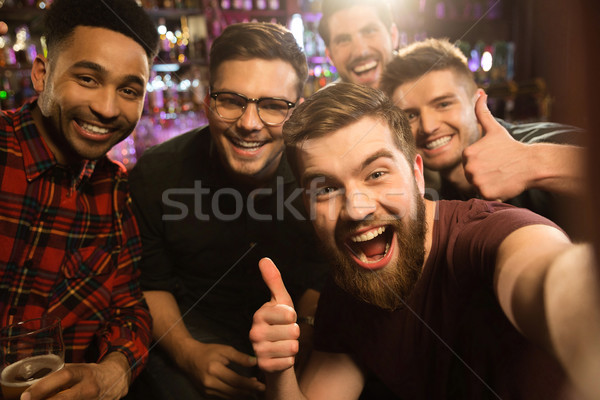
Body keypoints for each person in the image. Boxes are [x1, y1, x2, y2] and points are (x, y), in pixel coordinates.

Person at [249, 82, 600, 400]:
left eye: (376, 173)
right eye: (325, 188)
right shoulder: (348, 287)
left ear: (417, 175)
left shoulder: (489, 235)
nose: (356, 209)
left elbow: (543, 274)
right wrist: (280, 374)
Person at [128, 22, 328, 400]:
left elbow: (321, 281)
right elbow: (151, 284)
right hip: (188, 348)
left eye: (272, 106)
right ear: (208, 100)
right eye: (232, 101)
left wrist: (296, 344)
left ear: (297, 113)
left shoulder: (320, 178)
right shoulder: (156, 174)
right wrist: (188, 355)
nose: (249, 124)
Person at [0, 0, 159, 399]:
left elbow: (128, 307)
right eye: (88, 79)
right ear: (42, 74)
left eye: (128, 90)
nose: (106, 109)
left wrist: (112, 371)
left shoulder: (115, 190)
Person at [380, 38, 586, 235]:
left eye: (443, 104)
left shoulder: (534, 143)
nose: (428, 126)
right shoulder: (430, 195)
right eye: (410, 115)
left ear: (477, 101)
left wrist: (532, 162)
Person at [317, 0, 399, 88]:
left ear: (393, 36)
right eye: (343, 40)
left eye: (369, 31)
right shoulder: (321, 102)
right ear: (330, 56)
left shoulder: (416, 85)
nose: (361, 52)